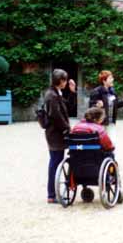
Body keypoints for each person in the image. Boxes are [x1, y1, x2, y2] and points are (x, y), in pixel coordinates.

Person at [44, 68, 76, 204]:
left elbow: (66, 107)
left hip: (57, 133)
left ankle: (52, 193)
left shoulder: (56, 92)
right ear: (60, 80)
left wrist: (72, 92)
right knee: (55, 163)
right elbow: (56, 116)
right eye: (65, 80)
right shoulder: (51, 95)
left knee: (56, 162)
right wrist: (67, 128)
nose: (66, 82)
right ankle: (51, 194)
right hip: (55, 134)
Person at [89, 70, 123, 144]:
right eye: (110, 78)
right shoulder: (96, 91)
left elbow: (115, 105)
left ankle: (109, 155)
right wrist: (97, 106)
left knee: (111, 143)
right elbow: (91, 108)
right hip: (100, 123)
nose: (112, 79)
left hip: (111, 122)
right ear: (104, 81)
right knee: (100, 144)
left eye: (112, 78)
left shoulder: (112, 92)